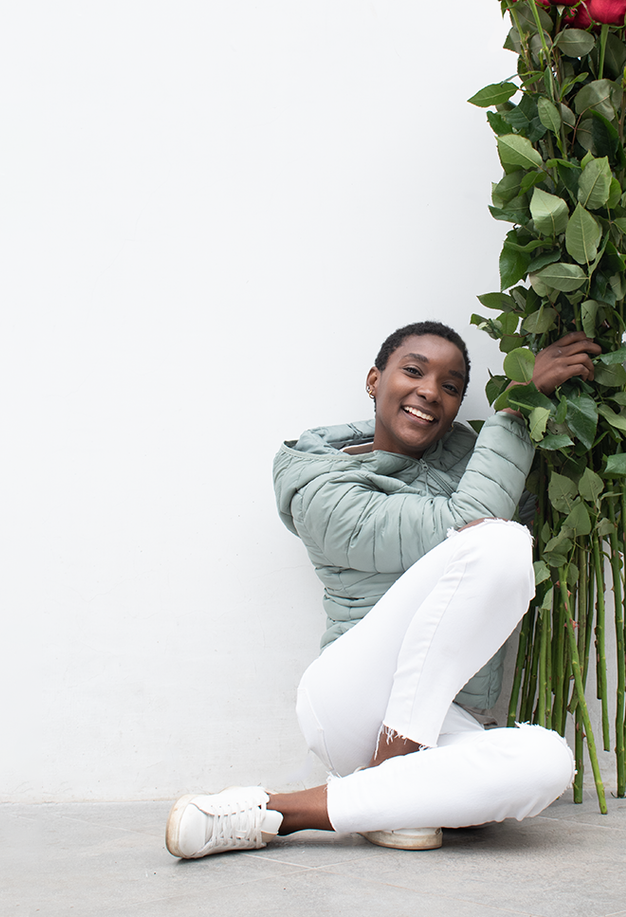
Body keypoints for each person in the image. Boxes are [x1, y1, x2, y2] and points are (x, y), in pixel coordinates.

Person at [165, 320, 600, 858]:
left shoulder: (469, 458)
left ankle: (283, 811)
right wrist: (516, 403)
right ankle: (399, 779)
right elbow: (473, 519)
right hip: (350, 700)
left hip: (448, 715)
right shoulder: (321, 486)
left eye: (450, 386)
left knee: (549, 761)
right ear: (375, 379)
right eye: (414, 371)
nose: (429, 392)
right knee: (501, 543)